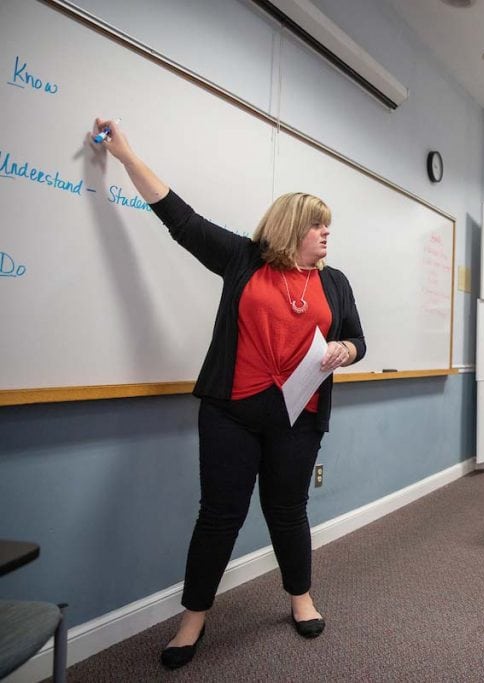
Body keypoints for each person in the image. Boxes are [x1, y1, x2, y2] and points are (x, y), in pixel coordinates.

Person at [92, 118, 366, 669]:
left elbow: (357, 339)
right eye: (318, 226)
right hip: (231, 415)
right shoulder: (243, 259)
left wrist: (345, 352)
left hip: (300, 416)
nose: (326, 235)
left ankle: (301, 599)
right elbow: (179, 216)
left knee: (288, 510)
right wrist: (125, 155)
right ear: (292, 227)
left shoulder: (335, 283)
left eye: (328, 227)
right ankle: (192, 621)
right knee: (219, 515)